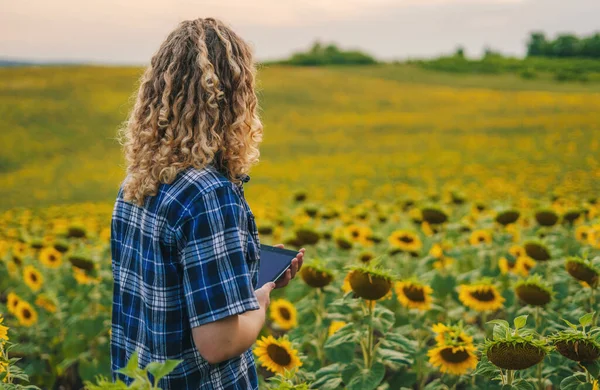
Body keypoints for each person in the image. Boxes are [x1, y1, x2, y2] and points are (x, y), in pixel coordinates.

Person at [110, 17, 304, 389]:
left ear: (157, 93)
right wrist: (258, 298)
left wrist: (243, 274)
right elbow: (219, 342)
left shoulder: (135, 185)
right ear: (236, 97)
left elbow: (167, 291)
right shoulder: (208, 195)